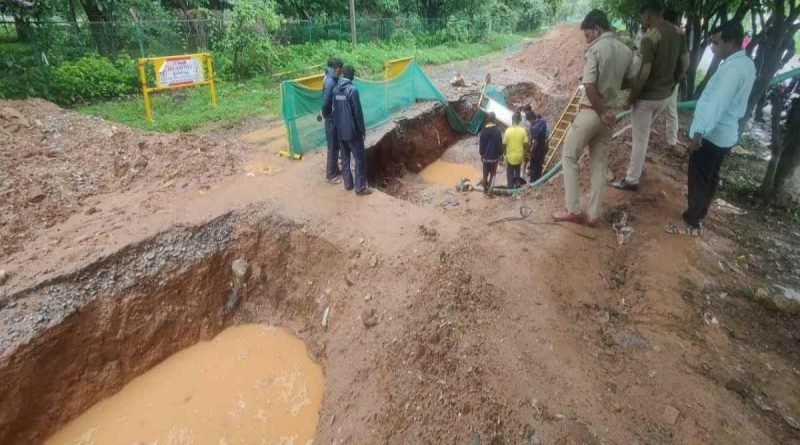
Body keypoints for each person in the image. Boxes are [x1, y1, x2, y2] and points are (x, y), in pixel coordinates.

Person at [666, 21, 755, 236]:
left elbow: (718, 103)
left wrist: (699, 133)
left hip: (712, 134)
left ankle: (693, 218)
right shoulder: (746, 64)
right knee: (711, 176)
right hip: (725, 134)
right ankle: (700, 213)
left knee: (699, 176)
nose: (713, 47)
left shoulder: (733, 70)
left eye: (716, 42)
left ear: (731, 42)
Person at [553, 9, 636, 226]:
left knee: (569, 157)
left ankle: (573, 209)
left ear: (597, 29)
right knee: (599, 165)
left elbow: (588, 85)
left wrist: (600, 111)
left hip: (591, 111)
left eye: (587, 34)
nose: (586, 38)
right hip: (609, 115)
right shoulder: (626, 50)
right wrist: (608, 110)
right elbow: (630, 81)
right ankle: (593, 214)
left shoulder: (596, 49)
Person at [612, 1, 689, 191]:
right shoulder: (679, 33)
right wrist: (673, 83)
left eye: (642, 18)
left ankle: (631, 180)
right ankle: (637, 172)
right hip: (664, 97)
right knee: (643, 135)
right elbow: (685, 63)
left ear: (647, 16)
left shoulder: (649, 38)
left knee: (640, 139)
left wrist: (630, 99)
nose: (642, 21)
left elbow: (644, 73)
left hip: (647, 99)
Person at [333, 65, 372, 196]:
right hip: (352, 132)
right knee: (359, 159)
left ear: (343, 74)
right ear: (353, 76)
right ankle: (360, 188)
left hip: (340, 131)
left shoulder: (335, 89)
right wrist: (362, 130)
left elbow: (334, 111)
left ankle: (348, 184)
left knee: (344, 159)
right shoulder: (352, 90)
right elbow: (357, 113)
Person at [663, 9, 684, 149]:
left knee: (649, 108)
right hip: (673, 78)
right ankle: (671, 140)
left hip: (663, 78)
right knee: (671, 110)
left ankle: (643, 136)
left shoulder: (661, 33)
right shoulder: (680, 34)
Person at [321, 57, 344, 184]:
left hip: (333, 117)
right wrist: (327, 115)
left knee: (336, 144)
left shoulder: (331, 78)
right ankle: (330, 175)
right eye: (340, 70)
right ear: (337, 69)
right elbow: (326, 102)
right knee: (333, 146)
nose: (341, 72)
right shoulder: (330, 81)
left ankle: (335, 169)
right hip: (331, 118)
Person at [479, 112, 504, 195]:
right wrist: (501, 154)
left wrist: (481, 154)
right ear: (494, 119)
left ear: (487, 119)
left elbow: (481, 144)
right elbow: (499, 144)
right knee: (493, 174)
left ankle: (484, 191)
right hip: (494, 157)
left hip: (486, 157)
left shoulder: (483, 131)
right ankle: (490, 190)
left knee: (485, 174)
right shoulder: (498, 130)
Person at [503, 111, 529, 188]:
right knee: (517, 170)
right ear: (519, 121)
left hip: (510, 156)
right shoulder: (523, 130)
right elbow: (526, 144)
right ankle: (517, 184)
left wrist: (503, 153)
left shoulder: (507, 131)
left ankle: (510, 187)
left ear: (512, 120)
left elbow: (504, 144)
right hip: (519, 156)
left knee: (510, 172)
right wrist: (526, 153)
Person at [527, 111, 549, 182]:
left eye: (529, 121)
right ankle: (539, 180)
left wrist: (531, 151)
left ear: (531, 119)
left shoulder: (535, 128)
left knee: (534, 165)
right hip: (544, 147)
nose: (530, 123)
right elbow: (547, 134)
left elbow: (535, 143)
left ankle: (533, 181)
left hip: (538, 150)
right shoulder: (543, 121)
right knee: (540, 164)